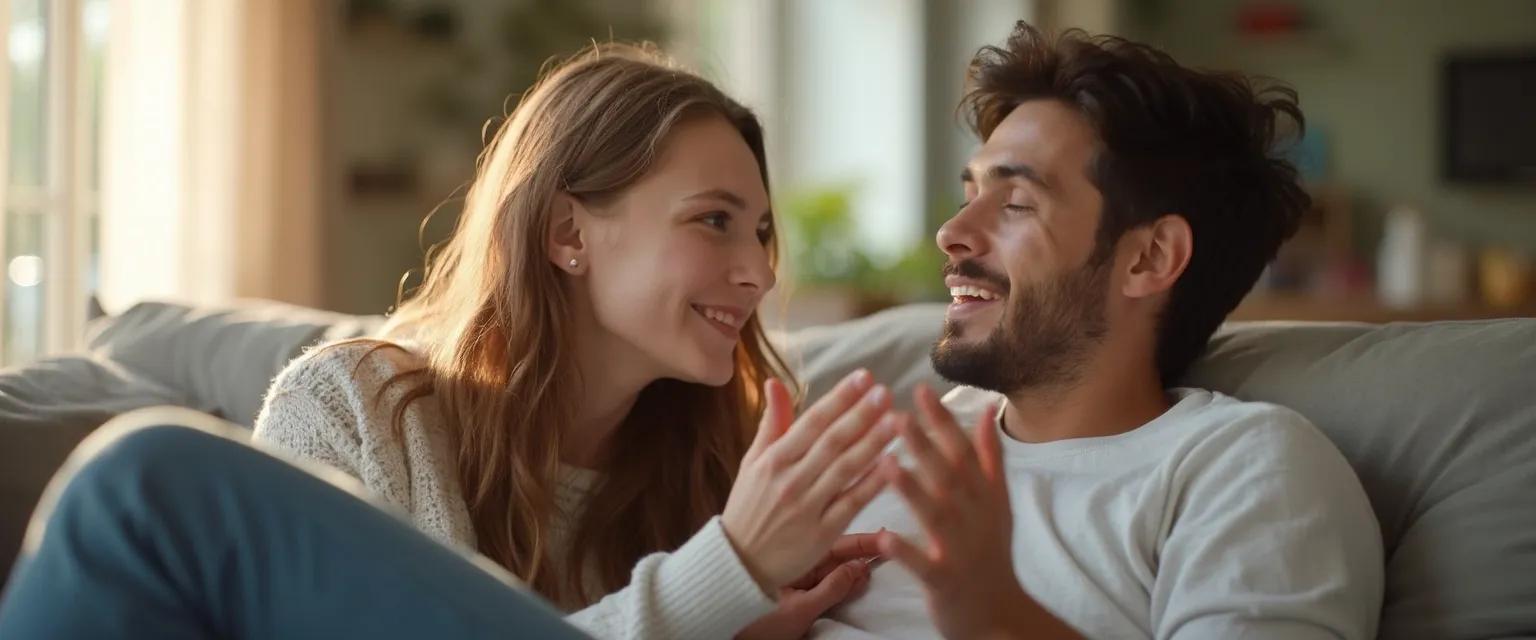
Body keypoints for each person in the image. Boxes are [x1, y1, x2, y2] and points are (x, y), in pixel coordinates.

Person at [0, 44, 900, 640]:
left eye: (762, 234)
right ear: (567, 235)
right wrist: (720, 579)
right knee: (141, 478)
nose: (759, 273)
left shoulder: (732, 472)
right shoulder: (351, 406)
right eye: (715, 222)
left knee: (141, 480)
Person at [811, 23, 1384, 639]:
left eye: (1017, 203)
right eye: (971, 192)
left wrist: (999, 620)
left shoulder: (1248, 474)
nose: (951, 233)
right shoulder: (905, 442)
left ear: (1149, 258)